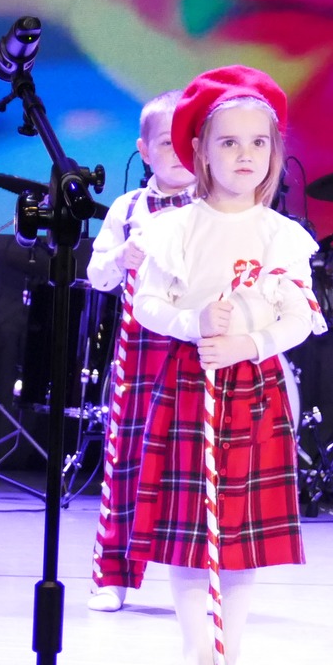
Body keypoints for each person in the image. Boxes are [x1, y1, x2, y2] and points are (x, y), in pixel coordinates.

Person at [128, 66, 325, 665]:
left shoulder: (282, 236)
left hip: (255, 389)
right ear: (201, 152)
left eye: (258, 142)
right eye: (230, 142)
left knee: (242, 530)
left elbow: (301, 317)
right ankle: (198, 654)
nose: (245, 155)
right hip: (191, 384)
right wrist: (192, 323)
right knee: (190, 526)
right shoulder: (175, 228)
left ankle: (228, 652)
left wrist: (250, 342)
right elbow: (145, 303)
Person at [85, 89, 195, 612]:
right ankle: (113, 574)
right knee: (126, 460)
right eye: (166, 142)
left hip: (195, 349)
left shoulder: (215, 208)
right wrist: (121, 257)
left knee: (191, 464)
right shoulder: (127, 208)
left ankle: (194, 576)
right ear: (144, 149)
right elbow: (97, 275)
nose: (178, 152)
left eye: (188, 141)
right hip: (140, 353)